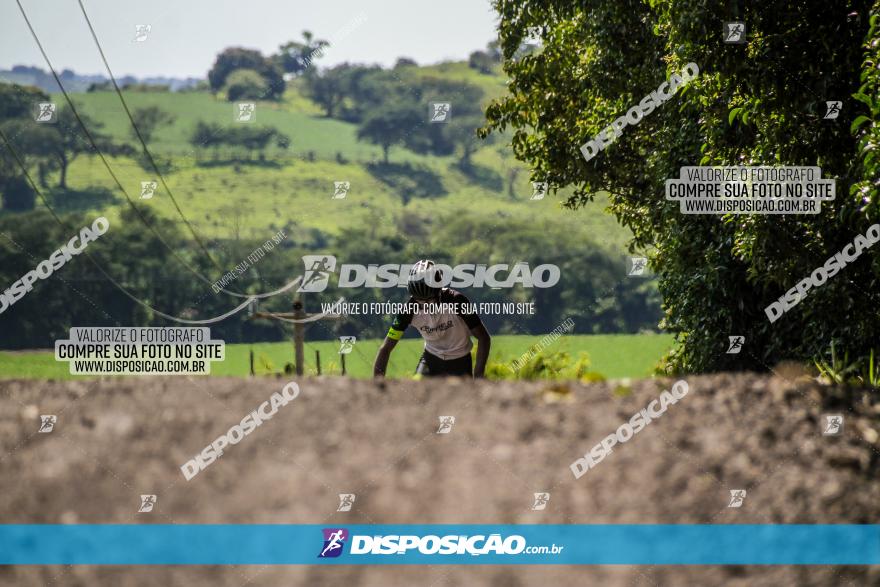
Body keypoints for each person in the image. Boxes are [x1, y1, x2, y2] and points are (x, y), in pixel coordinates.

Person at [373, 259, 491, 378]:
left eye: (430, 300)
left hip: (460, 361)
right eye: (420, 300)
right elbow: (386, 348)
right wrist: (378, 385)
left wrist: (478, 375)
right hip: (430, 359)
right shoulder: (408, 310)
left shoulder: (457, 301)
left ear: (439, 291)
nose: (426, 305)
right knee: (416, 390)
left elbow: (483, 337)